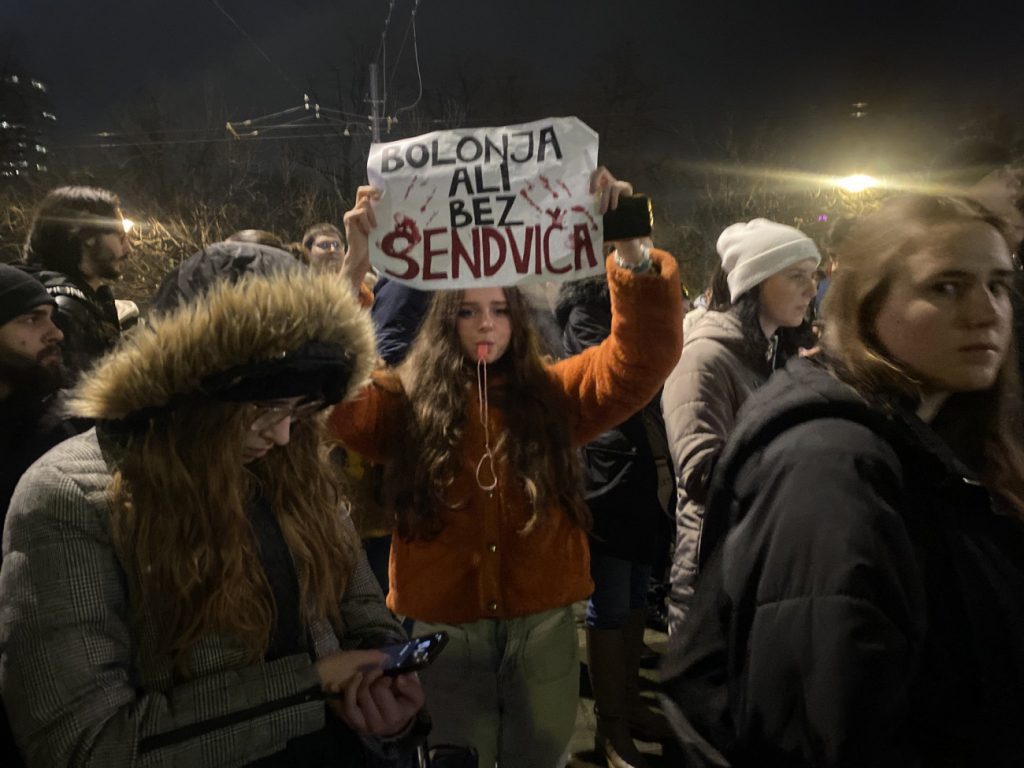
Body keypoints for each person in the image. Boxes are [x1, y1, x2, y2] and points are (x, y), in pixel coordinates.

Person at [0, 244, 427, 766]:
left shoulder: (295, 464)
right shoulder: (70, 495)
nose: (285, 431)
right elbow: (85, 742)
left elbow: (353, 602)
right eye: (264, 407)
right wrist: (312, 687)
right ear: (189, 390)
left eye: (303, 408)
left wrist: (383, 679)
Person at [329, 169, 684, 767]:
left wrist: (629, 244)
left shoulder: (557, 394)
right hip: (444, 633)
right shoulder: (402, 403)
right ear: (447, 322)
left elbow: (641, 358)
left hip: (541, 627)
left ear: (518, 320)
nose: (487, 323)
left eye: (499, 309)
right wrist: (352, 267)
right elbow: (333, 394)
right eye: (468, 311)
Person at [662, 194, 1024, 767]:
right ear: (870, 303)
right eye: (947, 287)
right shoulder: (829, 465)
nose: (988, 312)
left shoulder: (925, 424)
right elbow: (821, 722)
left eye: (1000, 285)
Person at [661, 219, 819, 634]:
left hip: (761, 561)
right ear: (755, 283)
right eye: (796, 276)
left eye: (813, 275)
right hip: (714, 571)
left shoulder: (773, 353)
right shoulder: (704, 359)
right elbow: (699, 474)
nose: (811, 288)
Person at [557, 269, 676, 768]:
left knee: (634, 595)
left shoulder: (617, 296)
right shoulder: (588, 305)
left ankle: (626, 704)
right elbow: (615, 380)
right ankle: (611, 726)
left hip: (641, 470)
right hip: (607, 471)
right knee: (609, 600)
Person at [21, 186, 132, 381]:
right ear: (86, 236)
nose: (128, 248)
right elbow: (79, 399)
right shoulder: (62, 310)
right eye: (120, 237)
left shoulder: (85, 299)